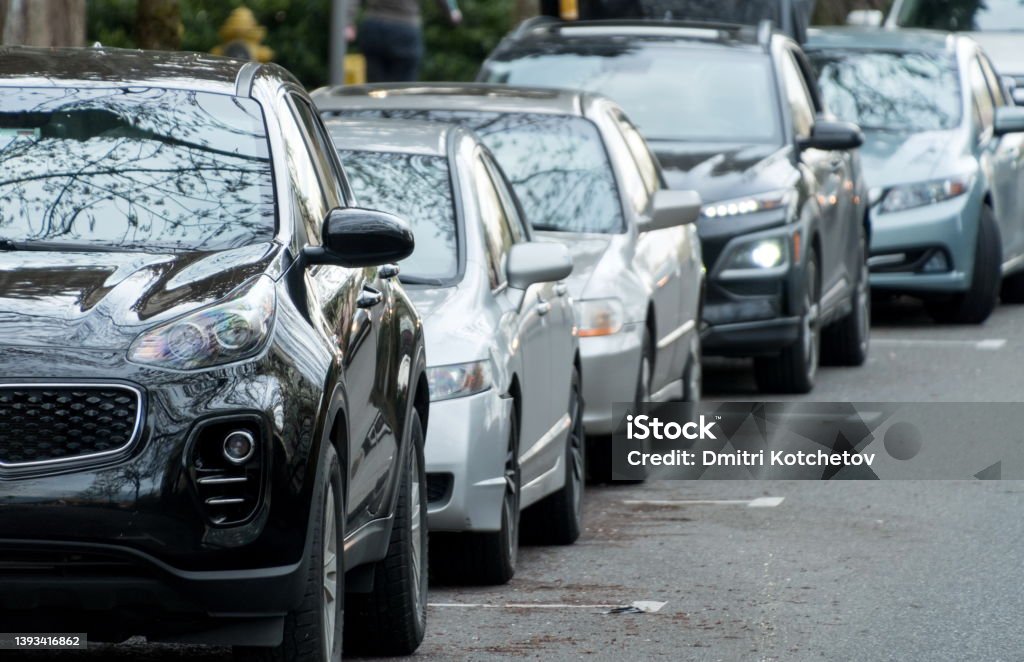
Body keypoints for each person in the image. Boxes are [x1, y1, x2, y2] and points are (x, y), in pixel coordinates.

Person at [347, 0, 462, 83]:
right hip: (405, 28)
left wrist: (348, 21)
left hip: (374, 27)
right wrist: (451, 12)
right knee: (404, 89)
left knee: (375, 87)